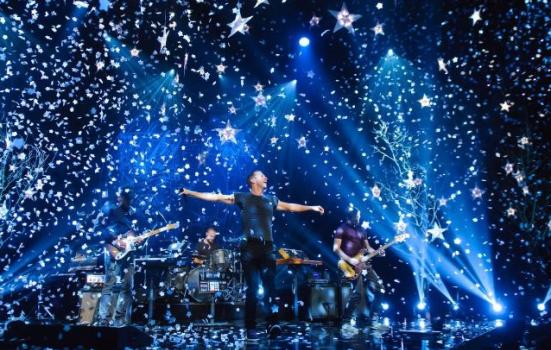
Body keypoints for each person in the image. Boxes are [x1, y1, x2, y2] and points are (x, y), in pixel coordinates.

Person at [180, 170, 324, 341]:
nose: (266, 177)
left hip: (267, 249)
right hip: (249, 249)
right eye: (263, 175)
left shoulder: (270, 199)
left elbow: (290, 206)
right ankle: (251, 328)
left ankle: (273, 324)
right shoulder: (242, 197)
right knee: (253, 290)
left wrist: (311, 207)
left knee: (270, 287)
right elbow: (215, 197)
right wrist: (190, 193)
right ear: (253, 180)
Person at [333, 208, 386, 336]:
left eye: (359, 215)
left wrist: (378, 252)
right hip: (348, 265)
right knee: (357, 295)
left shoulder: (362, 230)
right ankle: (345, 323)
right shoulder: (342, 228)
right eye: (358, 215)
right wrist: (350, 260)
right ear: (352, 215)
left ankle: (373, 321)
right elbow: (335, 248)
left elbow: (368, 248)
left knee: (380, 288)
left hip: (364, 265)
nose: (359, 217)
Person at [94, 188, 138, 327]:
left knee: (127, 287)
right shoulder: (109, 209)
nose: (123, 200)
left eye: (127, 198)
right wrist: (114, 242)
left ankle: (119, 318)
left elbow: (134, 232)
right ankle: (104, 320)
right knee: (110, 285)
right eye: (122, 197)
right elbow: (98, 229)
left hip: (129, 252)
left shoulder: (133, 213)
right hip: (113, 251)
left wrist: (138, 238)